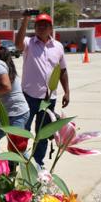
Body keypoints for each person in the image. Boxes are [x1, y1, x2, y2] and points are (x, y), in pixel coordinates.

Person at [15, 11, 70, 168]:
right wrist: (25, 20)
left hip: (49, 99)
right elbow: (18, 44)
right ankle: (20, 162)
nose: (41, 28)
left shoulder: (58, 47)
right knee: (23, 130)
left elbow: (62, 70)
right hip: (29, 97)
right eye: (38, 25)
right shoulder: (29, 43)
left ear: (51, 28)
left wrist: (67, 91)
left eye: (45, 25)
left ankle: (38, 164)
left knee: (43, 133)